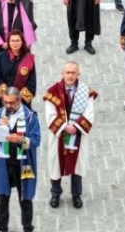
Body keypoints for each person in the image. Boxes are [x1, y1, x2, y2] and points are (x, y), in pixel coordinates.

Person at [43, 61, 96, 210]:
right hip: (59, 136)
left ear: (78, 74)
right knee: (56, 164)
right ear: (62, 73)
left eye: (73, 73)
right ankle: (55, 193)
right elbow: (50, 115)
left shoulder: (86, 92)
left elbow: (89, 113)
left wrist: (76, 127)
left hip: (78, 135)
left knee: (77, 164)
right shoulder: (52, 92)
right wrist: (65, 127)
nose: (70, 75)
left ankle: (76, 195)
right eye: (68, 72)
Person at [0, 86, 41, 232]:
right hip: (3, 162)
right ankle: (2, 228)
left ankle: (27, 227)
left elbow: (36, 141)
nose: (7, 105)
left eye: (11, 102)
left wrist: (20, 140)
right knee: (3, 197)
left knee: (25, 197)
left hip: (24, 163)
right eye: (5, 102)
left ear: (19, 100)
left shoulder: (30, 117)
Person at [0, 30, 37, 109]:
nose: (15, 43)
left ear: (22, 42)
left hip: (22, 102)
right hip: (5, 101)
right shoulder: (1, 57)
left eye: (17, 40)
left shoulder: (28, 59)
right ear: (8, 42)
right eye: (12, 41)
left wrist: (18, 100)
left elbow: (32, 83)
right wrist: (8, 98)